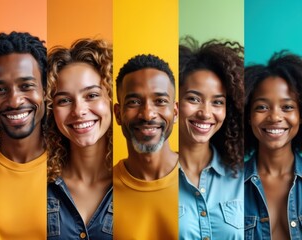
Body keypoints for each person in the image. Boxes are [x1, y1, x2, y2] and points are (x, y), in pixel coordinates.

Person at [0, 31, 47, 239]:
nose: (14, 101)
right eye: (0, 90)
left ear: (45, 90)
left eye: (26, 86)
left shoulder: (72, 164)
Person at [45, 38, 113, 239]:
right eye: (64, 100)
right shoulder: (36, 184)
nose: (79, 111)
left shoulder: (137, 180)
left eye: (91, 95)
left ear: (112, 100)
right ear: (51, 111)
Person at [178, 37, 244, 239]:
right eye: (194, 99)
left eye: (217, 102)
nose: (206, 113)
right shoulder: (152, 176)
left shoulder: (244, 177)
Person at [113, 54, 179, 239]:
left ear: (175, 112)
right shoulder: (101, 192)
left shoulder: (203, 181)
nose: (148, 114)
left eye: (160, 101)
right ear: (118, 114)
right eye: (134, 102)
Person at [244, 52, 302, 240]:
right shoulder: (229, 185)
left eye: (287, 107)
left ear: (300, 116)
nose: (275, 117)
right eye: (262, 107)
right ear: (248, 116)